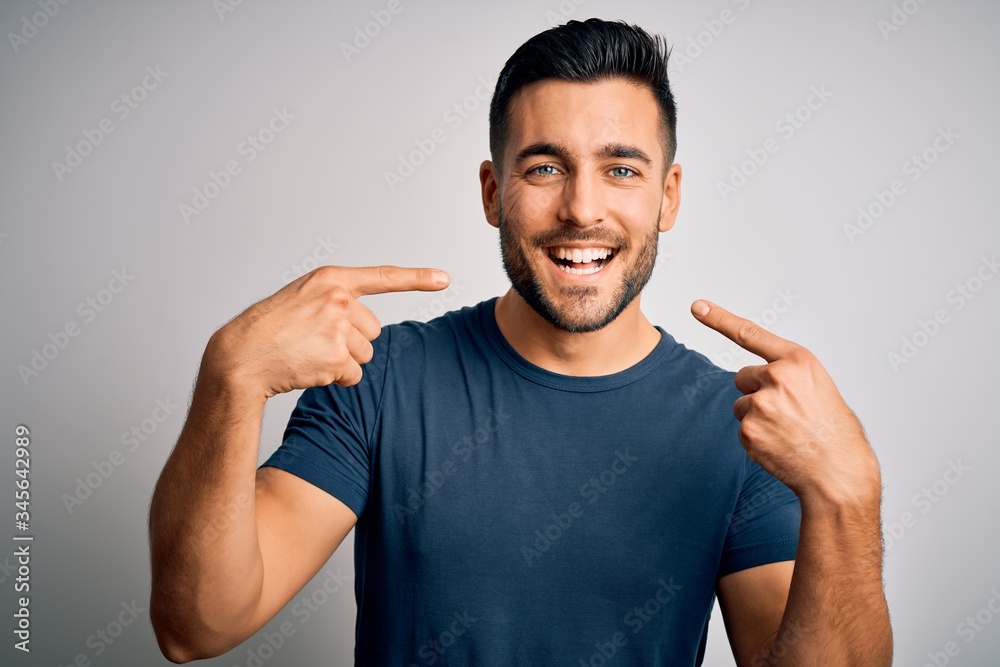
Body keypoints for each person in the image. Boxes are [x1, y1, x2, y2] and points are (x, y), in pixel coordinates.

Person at [149, 18, 892, 666]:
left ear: (667, 196)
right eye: (545, 167)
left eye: (620, 169)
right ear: (492, 192)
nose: (581, 208)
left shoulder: (742, 427)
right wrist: (230, 377)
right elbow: (196, 624)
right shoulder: (380, 381)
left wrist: (849, 495)